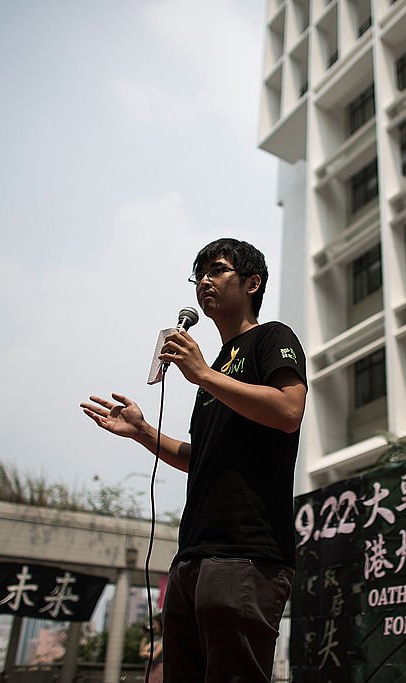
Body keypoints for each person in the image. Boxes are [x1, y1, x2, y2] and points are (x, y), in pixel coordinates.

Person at [80, 238, 307, 682]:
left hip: (246, 552)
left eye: (218, 270)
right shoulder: (213, 370)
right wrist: (143, 432)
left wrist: (203, 374)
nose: (204, 281)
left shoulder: (272, 338)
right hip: (192, 556)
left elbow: (288, 411)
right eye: (198, 274)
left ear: (252, 282)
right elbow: (199, 457)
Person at [138, 615, 163, 683]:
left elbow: (154, 656)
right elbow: (142, 651)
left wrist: (146, 654)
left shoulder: (164, 639)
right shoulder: (156, 639)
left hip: (160, 670)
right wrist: (145, 636)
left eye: (155, 623)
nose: (153, 626)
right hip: (152, 670)